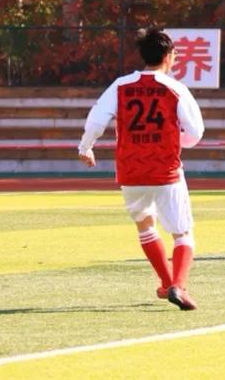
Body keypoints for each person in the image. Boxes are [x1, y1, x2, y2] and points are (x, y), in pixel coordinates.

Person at [77, 27, 205, 311]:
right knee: (183, 233)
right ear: (169, 56)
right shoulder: (175, 88)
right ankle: (178, 285)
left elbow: (97, 121)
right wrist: (172, 141)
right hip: (166, 169)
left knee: (145, 227)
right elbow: (196, 132)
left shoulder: (121, 85)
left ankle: (164, 282)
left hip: (131, 171)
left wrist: (85, 147)